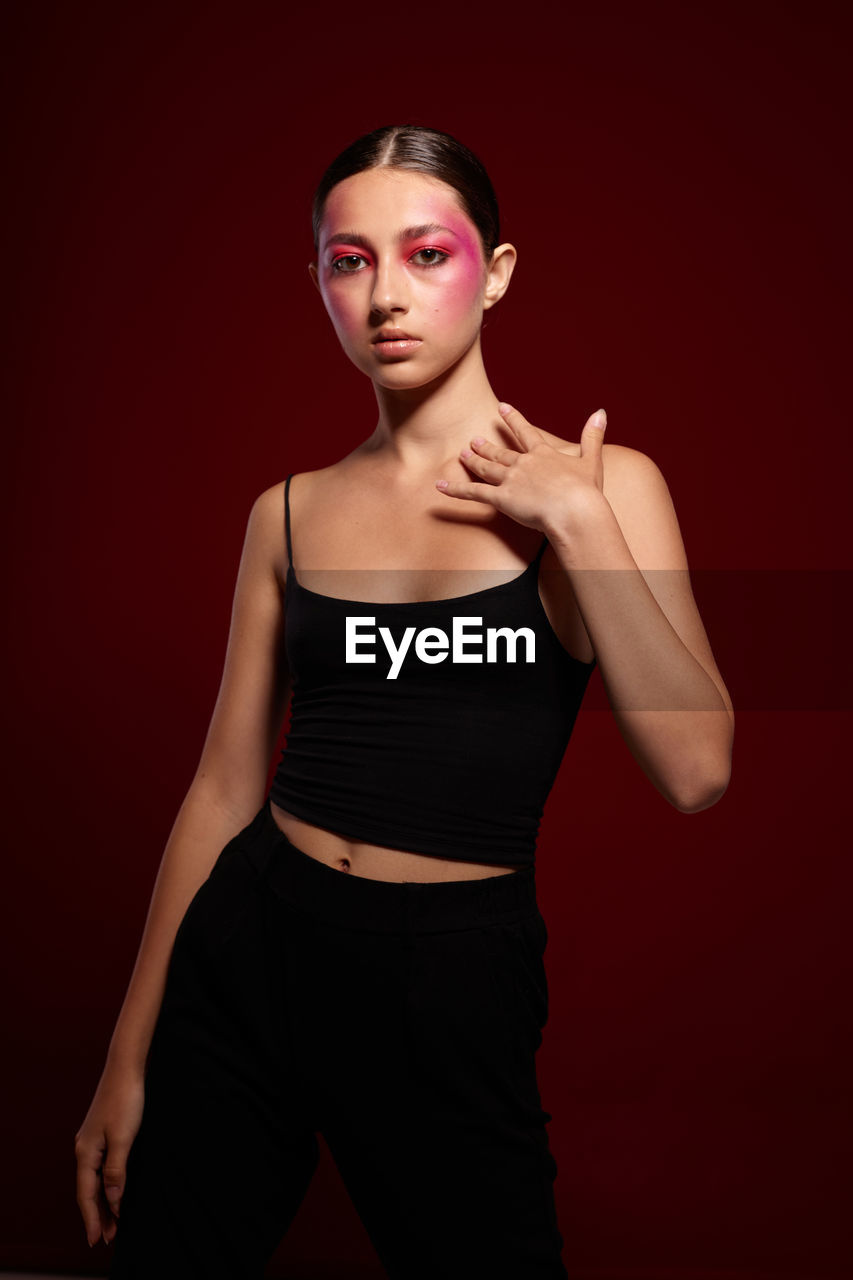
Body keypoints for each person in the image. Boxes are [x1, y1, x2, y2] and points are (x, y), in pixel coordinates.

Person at [74, 123, 735, 1278]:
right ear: (321, 282)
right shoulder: (286, 512)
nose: (385, 294)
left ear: (499, 272)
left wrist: (574, 523)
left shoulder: (605, 486)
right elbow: (224, 785)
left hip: (446, 981)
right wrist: (126, 1059)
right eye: (349, 259)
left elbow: (698, 770)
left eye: (426, 253)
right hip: (253, 953)